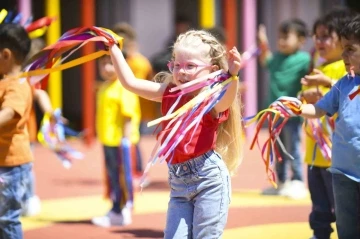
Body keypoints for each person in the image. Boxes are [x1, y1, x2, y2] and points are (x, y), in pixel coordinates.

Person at [108, 29, 243, 238]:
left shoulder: (211, 98)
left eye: (190, 66)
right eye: (177, 65)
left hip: (209, 180)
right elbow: (130, 83)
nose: (181, 71)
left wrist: (232, 76)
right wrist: (114, 49)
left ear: (212, 70)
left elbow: (226, 100)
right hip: (179, 184)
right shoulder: (168, 92)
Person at [273, 13, 360, 239]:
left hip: (347, 165)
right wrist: (298, 107)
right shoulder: (344, 82)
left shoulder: (340, 77)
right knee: (345, 225)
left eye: (350, 48)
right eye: (343, 48)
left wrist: (324, 86)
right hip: (341, 170)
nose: (344, 55)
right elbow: (320, 108)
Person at [299, 8, 352, 239]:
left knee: (341, 206)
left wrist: (324, 87)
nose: (320, 42)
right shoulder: (316, 67)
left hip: (335, 154)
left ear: (342, 40)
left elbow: (347, 102)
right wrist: (301, 101)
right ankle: (319, 234)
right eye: (317, 37)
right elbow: (310, 105)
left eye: (326, 36)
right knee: (319, 205)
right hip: (313, 153)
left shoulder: (346, 70)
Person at [258, 18, 311, 199]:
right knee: (277, 149)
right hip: (274, 113)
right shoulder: (277, 58)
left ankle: (297, 181)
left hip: (292, 114)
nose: (281, 41)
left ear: (301, 40)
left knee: (293, 147)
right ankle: (281, 181)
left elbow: (313, 70)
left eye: (286, 37)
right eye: (279, 37)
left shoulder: (304, 59)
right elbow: (266, 61)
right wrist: (263, 43)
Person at [91, 53, 141, 227]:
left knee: (122, 177)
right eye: (102, 64)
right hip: (108, 140)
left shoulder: (124, 87)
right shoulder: (105, 86)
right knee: (112, 177)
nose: (106, 68)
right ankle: (115, 208)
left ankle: (122, 209)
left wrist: (126, 141)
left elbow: (128, 116)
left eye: (110, 64)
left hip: (120, 143)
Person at [0, 23, 33, 239]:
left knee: (7, 218)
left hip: (11, 166)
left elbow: (9, 112)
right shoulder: (7, 82)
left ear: (5, 55)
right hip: (5, 163)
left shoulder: (17, 85)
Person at [112, 22, 153, 185]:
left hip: (136, 107)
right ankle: (129, 170)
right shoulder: (125, 60)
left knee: (133, 139)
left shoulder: (138, 63)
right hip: (123, 105)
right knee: (128, 139)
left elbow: (136, 84)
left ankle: (138, 172)